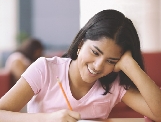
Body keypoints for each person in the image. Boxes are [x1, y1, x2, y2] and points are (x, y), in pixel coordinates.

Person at [0, 9, 161, 122]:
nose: (98, 66)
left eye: (111, 61)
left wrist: (131, 65)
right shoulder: (45, 69)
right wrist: (47, 119)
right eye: (95, 52)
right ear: (81, 44)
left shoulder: (114, 84)